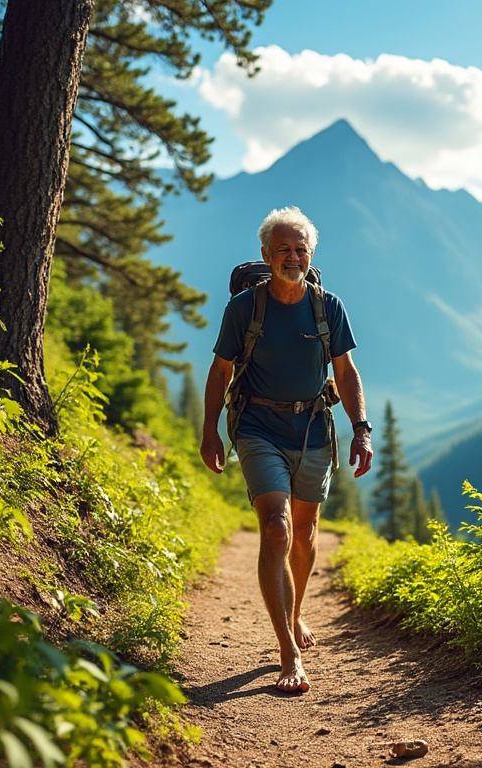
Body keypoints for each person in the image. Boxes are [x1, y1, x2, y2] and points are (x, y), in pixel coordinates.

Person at [200, 206, 374, 693]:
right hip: (257, 426)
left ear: (311, 254)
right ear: (266, 255)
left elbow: (345, 372)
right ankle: (287, 651)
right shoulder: (244, 309)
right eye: (283, 249)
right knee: (276, 529)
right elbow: (220, 372)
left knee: (305, 530)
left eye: (300, 249)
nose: (292, 257)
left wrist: (360, 429)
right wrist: (210, 430)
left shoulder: (327, 306)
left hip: (313, 429)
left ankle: (295, 614)